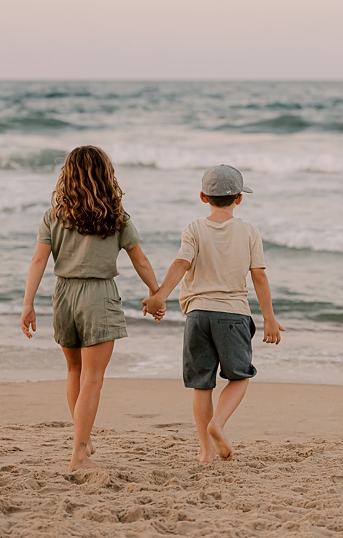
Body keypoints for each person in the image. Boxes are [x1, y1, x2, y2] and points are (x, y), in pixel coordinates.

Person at [18, 145, 160, 471]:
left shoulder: (54, 215)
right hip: (98, 294)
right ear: (106, 176)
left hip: (63, 295)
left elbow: (38, 260)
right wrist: (155, 292)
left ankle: (83, 437)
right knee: (93, 378)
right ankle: (79, 451)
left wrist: (28, 304)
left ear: (66, 176)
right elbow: (139, 259)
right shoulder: (116, 215)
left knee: (74, 372)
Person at [143, 164, 283, 464]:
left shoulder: (194, 228)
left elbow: (181, 264)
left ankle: (205, 451)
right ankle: (218, 423)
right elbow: (258, 276)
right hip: (233, 315)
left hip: (196, 315)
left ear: (203, 197)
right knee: (241, 376)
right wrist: (269, 317)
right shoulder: (248, 231)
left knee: (201, 383)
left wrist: (159, 296)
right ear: (240, 199)